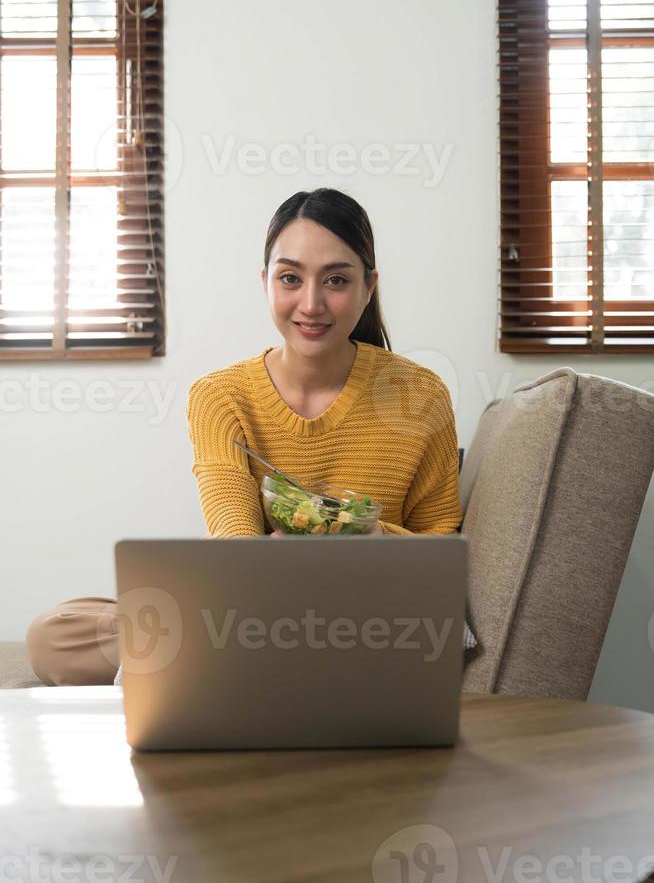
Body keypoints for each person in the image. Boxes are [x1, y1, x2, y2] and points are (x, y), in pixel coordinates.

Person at [25, 188, 465, 686]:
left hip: (367, 615)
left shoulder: (420, 395)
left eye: (337, 280)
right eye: (290, 279)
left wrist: (375, 537)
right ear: (266, 283)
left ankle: (230, 673)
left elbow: (442, 554)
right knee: (54, 635)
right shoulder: (220, 396)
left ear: (369, 286)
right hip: (252, 608)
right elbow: (234, 542)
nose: (311, 303)